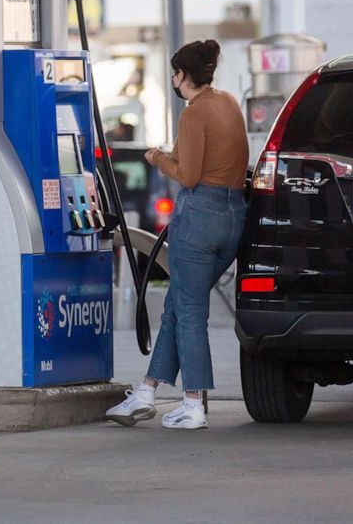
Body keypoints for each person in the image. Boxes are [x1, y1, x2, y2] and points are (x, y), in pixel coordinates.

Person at [105, 39, 248, 430]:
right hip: (234, 216)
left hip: (199, 216)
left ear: (184, 75)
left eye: (174, 73)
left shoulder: (193, 114)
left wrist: (158, 159)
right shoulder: (228, 103)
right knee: (179, 302)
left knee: (189, 311)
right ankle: (147, 391)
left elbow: (188, 175)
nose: (172, 79)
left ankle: (192, 403)